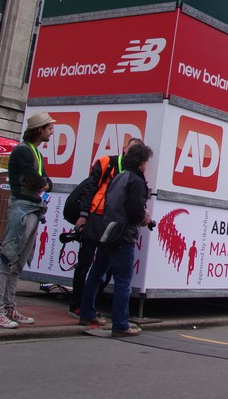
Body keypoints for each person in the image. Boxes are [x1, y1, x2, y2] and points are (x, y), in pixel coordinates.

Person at [0, 111, 55, 329]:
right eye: (49, 128)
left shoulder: (33, 152)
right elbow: (37, 181)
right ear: (39, 130)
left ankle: (7, 307)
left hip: (31, 208)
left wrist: (43, 182)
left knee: (18, 262)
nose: (52, 131)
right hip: (23, 208)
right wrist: (43, 183)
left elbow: (45, 181)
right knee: (8, 258)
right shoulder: (23, 151)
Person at [79, 142, 154, 337]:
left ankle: (87, 313)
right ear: (141, 163)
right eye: (146, 162)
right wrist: (144, 216)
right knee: (123, 281)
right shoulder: (136, 182)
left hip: (107, 231)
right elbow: (134, 210)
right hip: (123, 235)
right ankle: (120, 324)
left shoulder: (118, 176)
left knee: (96, 273)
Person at [67, 137, 143, 318]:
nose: (131, 153)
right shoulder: (106, 162)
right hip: (95, 219)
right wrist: (83, 215)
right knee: (85, 263)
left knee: (104, 270)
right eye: (130, 149)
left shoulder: (135, 174)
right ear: (124, 149)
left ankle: (92, 307)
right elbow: (89, 188)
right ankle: (77, 305)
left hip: (113, 225)